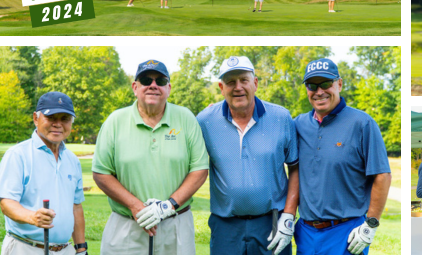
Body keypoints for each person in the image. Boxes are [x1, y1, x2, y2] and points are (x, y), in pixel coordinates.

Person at [92, 59, 210, 254]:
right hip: (127, 226)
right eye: (146, 80)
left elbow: (199, 169)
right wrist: (135, 206)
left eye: (160, 81)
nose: (153, 86)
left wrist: (168, 205)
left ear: (169, 88)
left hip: (176, 224)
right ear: (135, 87)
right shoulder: (115, 121)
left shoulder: (186, 118)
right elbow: (101, 173)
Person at [197, 56, 298, 255]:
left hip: (272, 222)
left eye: (244, 80)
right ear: (221, 87)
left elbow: (295, 167)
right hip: (225, 225)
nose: (238, 87)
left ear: (255, 83)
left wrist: (289, 214)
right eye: (230, 82)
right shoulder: (205, 121)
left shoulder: (281, 117)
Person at [294, 58, 392, 255]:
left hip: (347, 232)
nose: (319, 91)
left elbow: (382, 176)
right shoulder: (298, 124)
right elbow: (292, 172)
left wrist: (370, 224)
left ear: (339, 84)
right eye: (312, 85)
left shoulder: (362, 123)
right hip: (306, 233)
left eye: (326, 84)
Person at [0, 92, 87, 255]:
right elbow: (7, 203)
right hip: (25, 248)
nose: (58, 124)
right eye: (52, 117)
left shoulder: (72, 160)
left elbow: (76, 207)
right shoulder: (18, 155)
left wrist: (81, 249)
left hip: (65, 250)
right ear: (36, 118)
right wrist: (33, 217)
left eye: (65, 119)